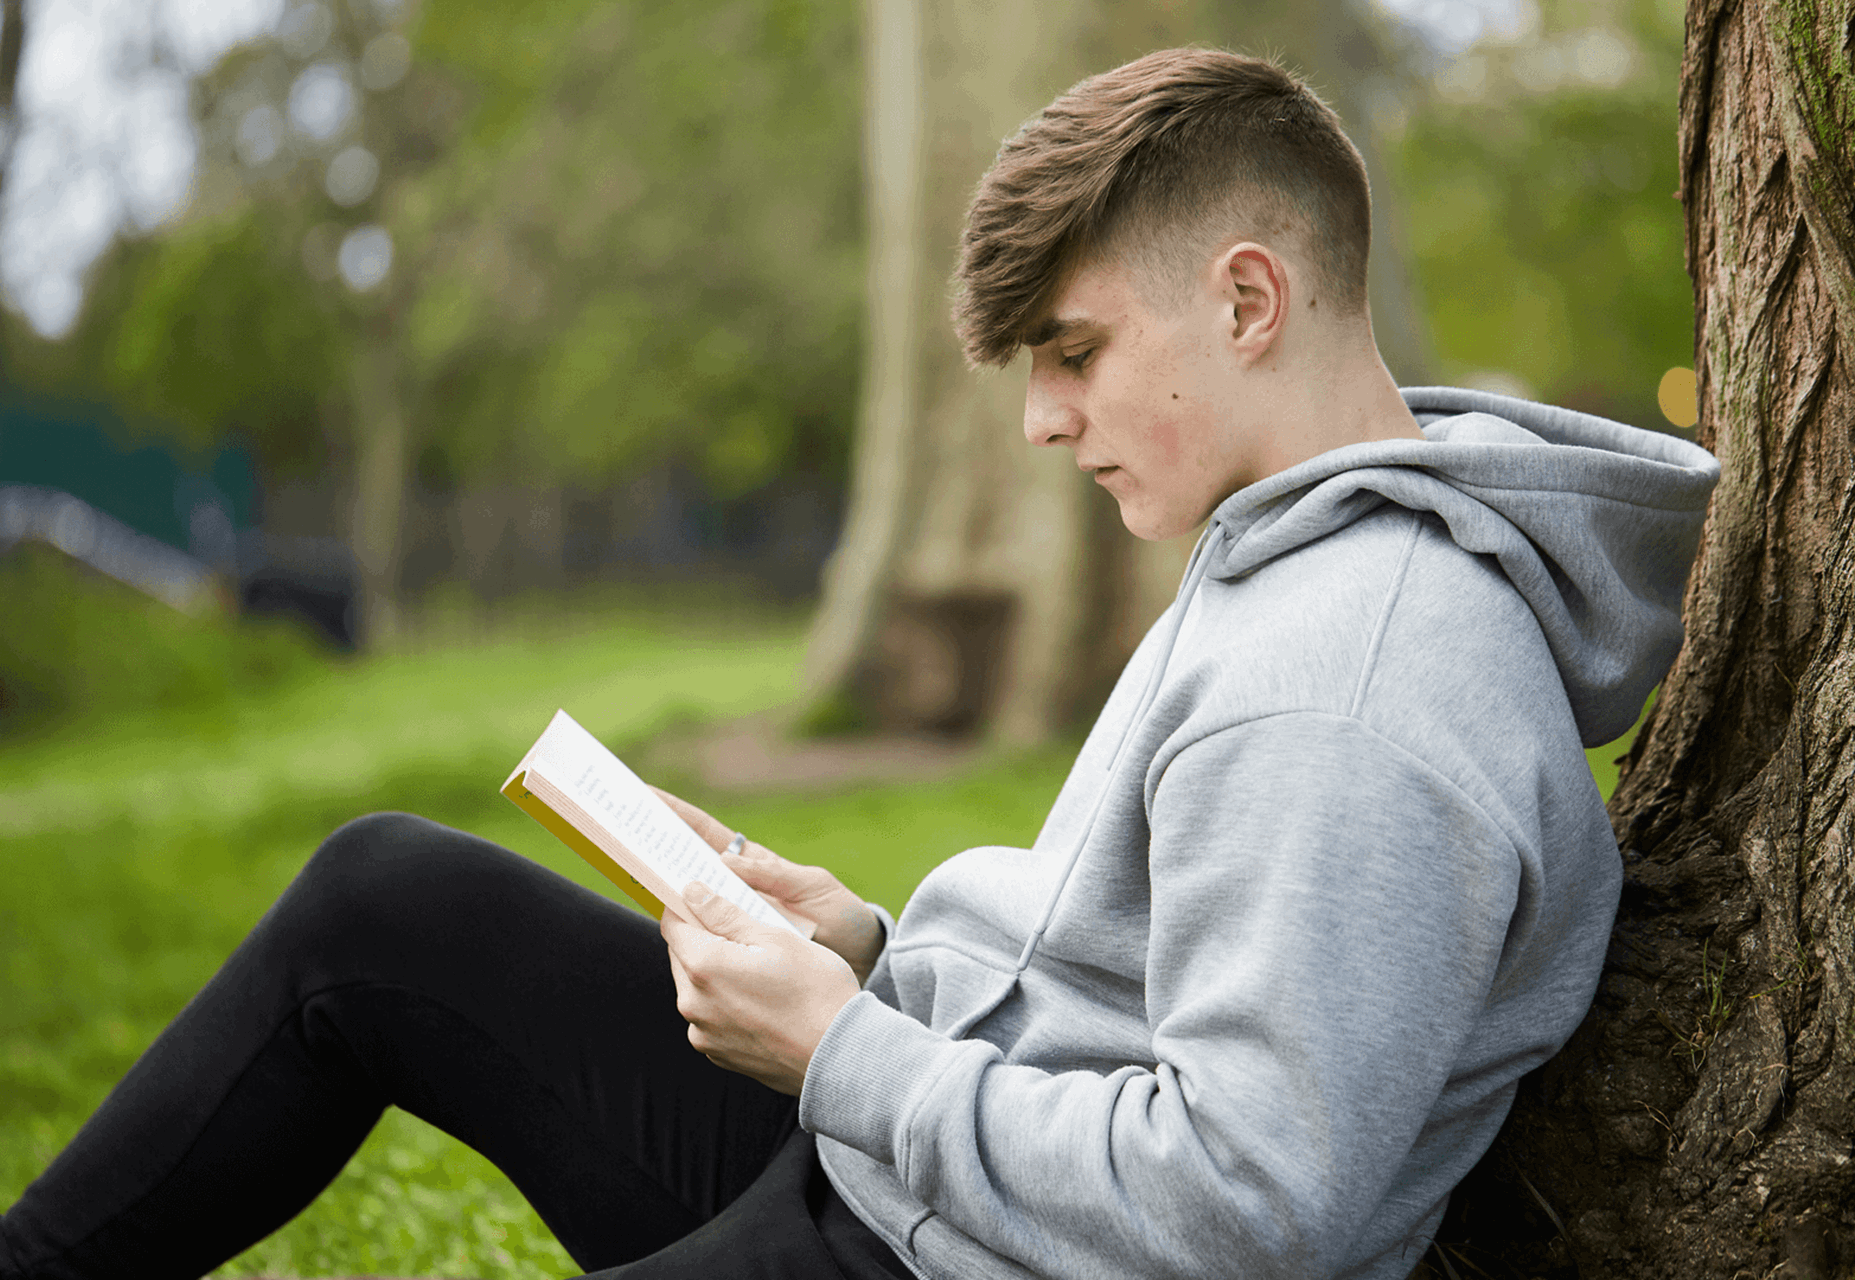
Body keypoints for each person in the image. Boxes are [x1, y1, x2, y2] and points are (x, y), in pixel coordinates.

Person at [0, 46, 1718, 1280]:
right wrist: (870, 956)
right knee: (384, 904)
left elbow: (1246, 1217)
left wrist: (843, 1054)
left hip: (942, 1236)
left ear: (1251, 301)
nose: (1045, 421)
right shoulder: (1291, 549)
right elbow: (1134, 1005)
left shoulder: (1355, 688)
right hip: (917, 1175)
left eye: (1074, 353)